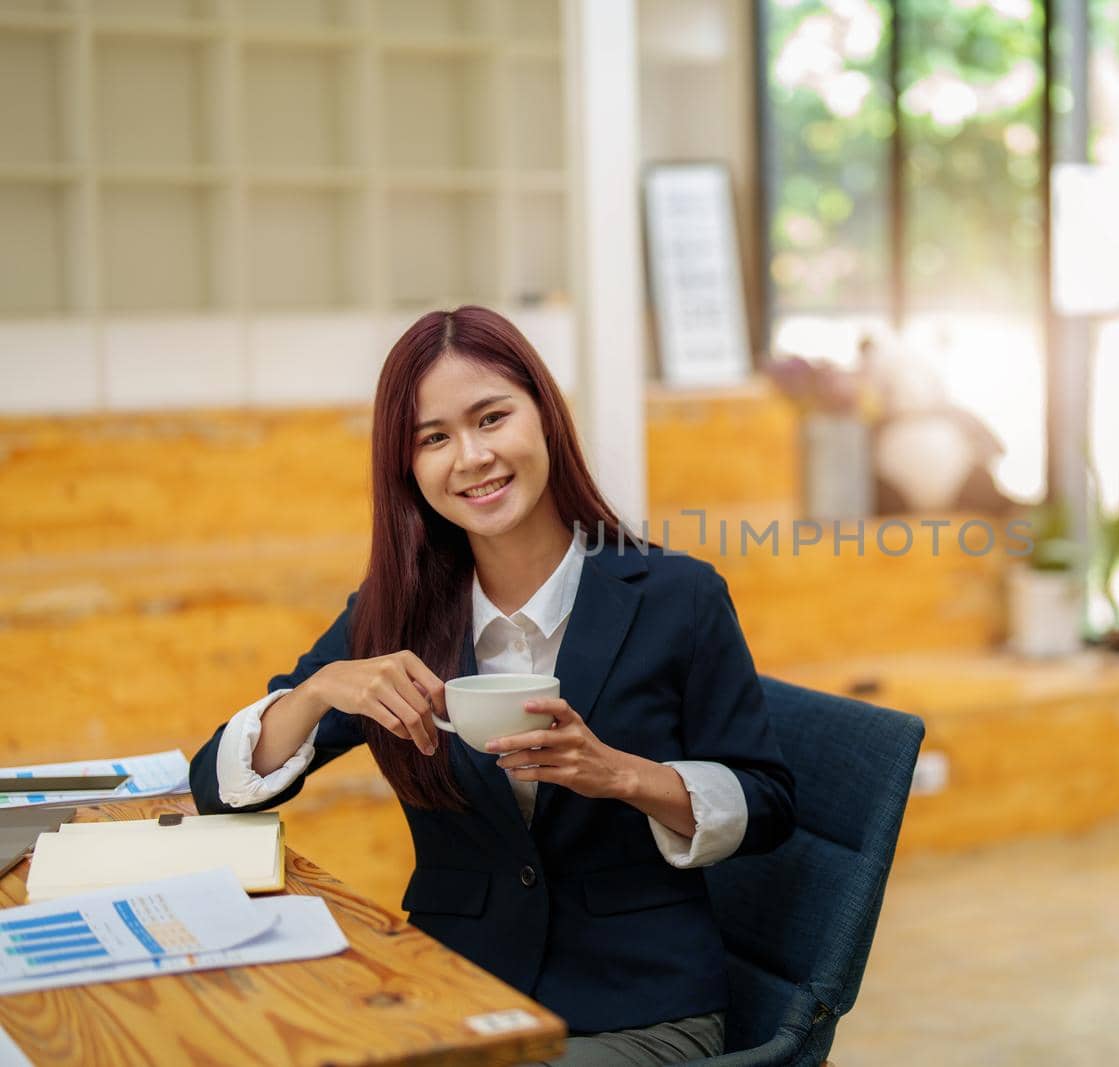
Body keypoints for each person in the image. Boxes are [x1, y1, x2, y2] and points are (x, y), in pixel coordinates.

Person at [189, 306, 796, 1065]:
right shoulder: (394, 613)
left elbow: (767, 804)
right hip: (453, 998)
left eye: (491, 418)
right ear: (406, 468)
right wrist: (318, 691)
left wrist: (624, 776)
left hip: (638, 1008)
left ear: (544, 416)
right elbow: (218, 781)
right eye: (434, 438)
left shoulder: (678, 597)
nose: (470, 457)